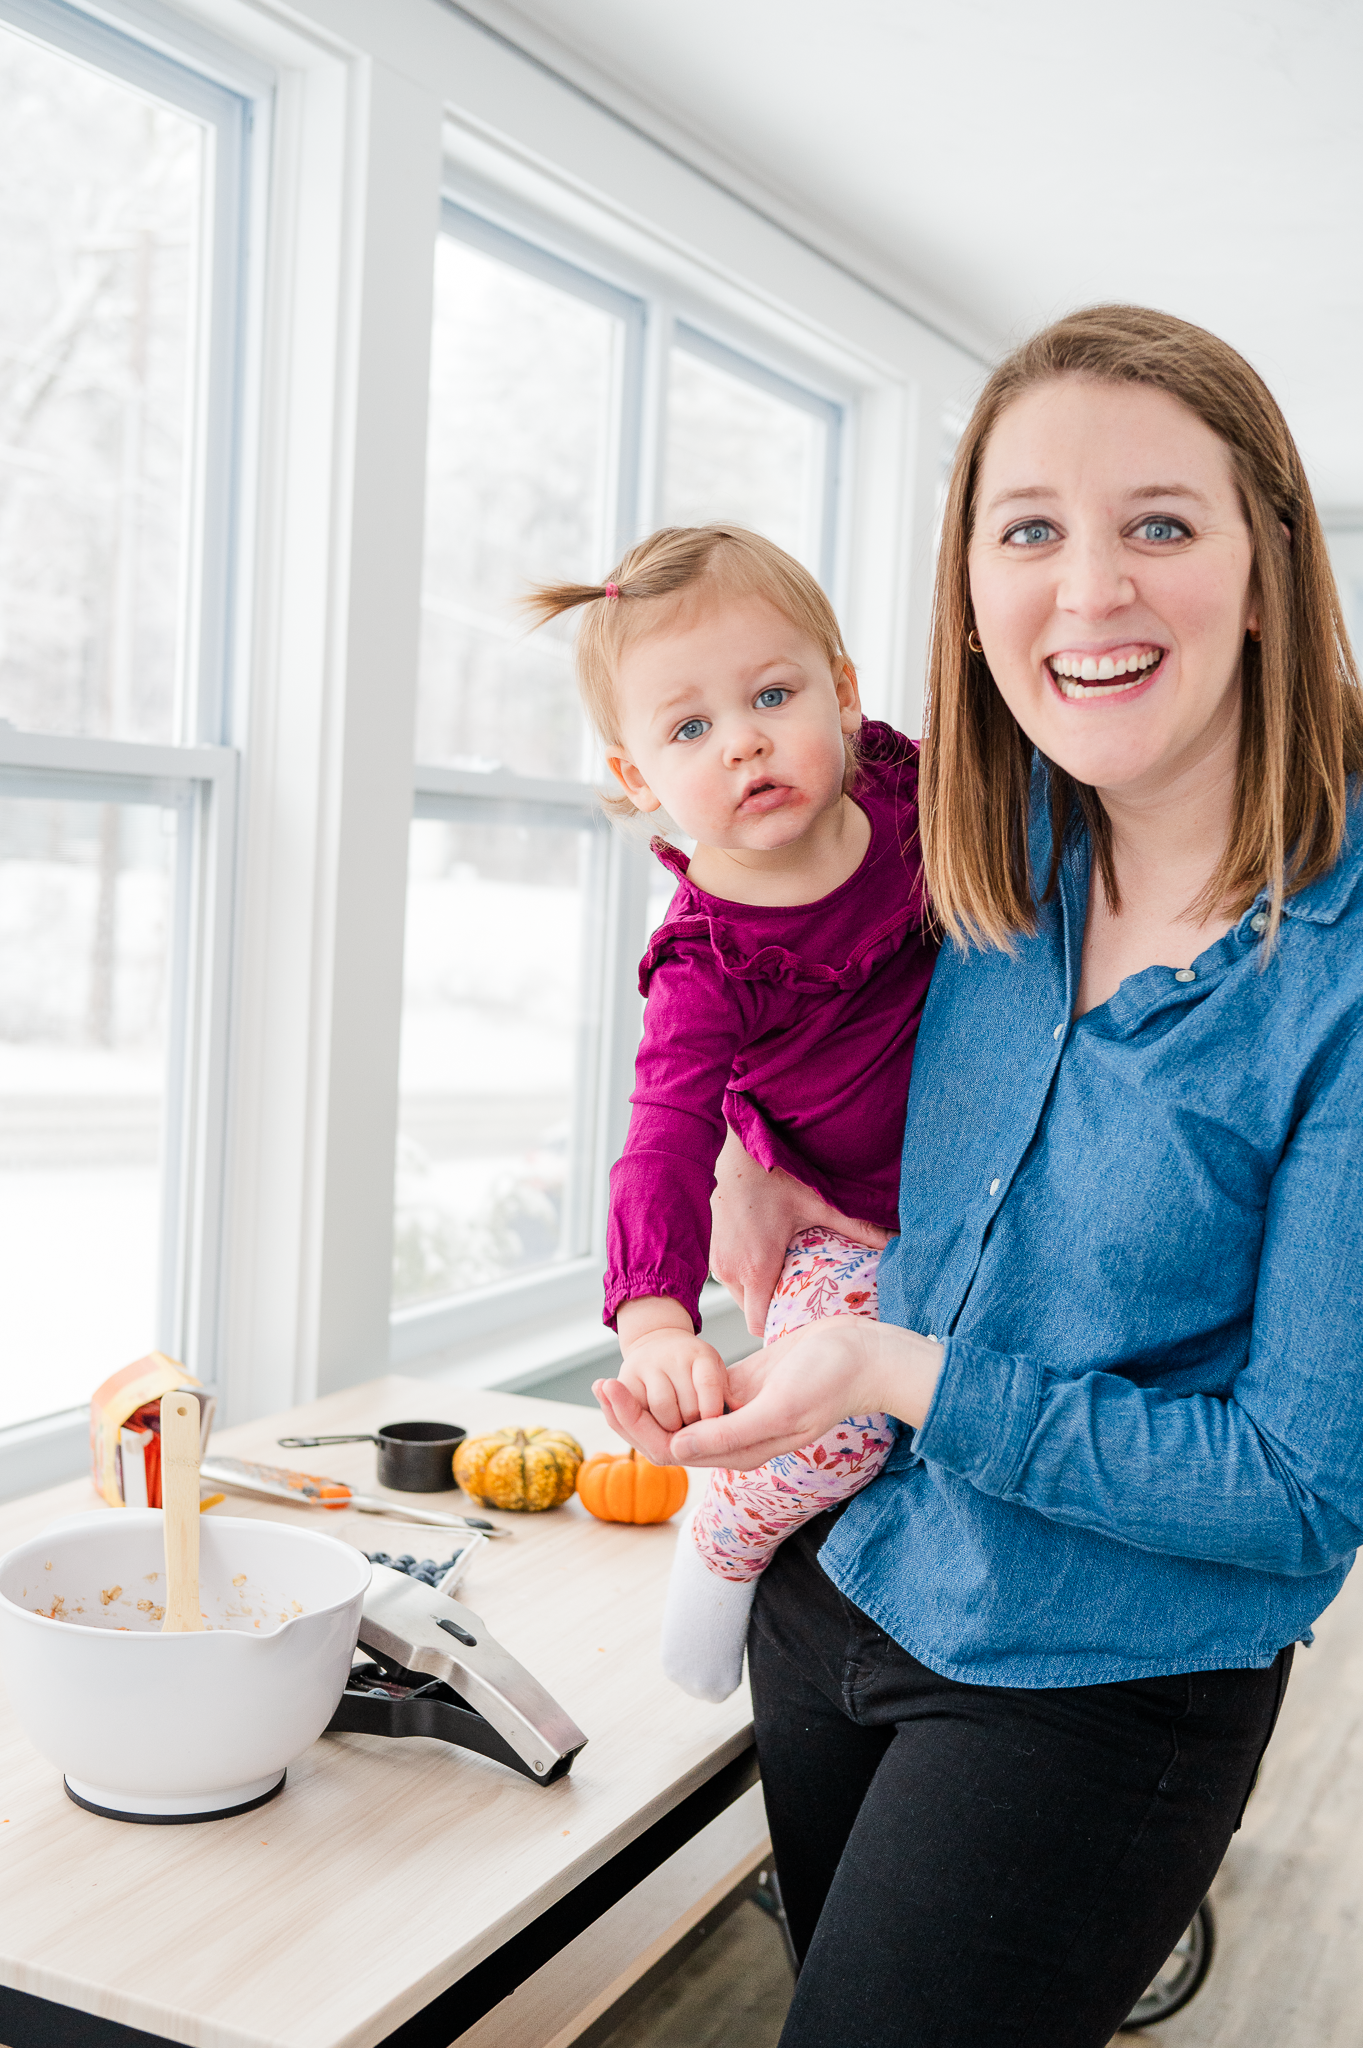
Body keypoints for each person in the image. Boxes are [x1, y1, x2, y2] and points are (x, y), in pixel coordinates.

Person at [595, 305, 1363, 2048]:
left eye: (1156, 523)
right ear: (963, 587)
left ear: (1264, 568)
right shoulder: (963, 833)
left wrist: (892, 1368)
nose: (1085, 591)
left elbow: (1297, 1490)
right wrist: (746, 1153)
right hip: (839, 1584)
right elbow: (720, 939)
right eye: (1027, 530)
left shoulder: (1338, 966)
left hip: (1103, 1671)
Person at [526, 527, 934, 1702]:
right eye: (690, 727)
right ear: (637, 776)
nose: (746, 738)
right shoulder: (707, 959)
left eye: (772, 693)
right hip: (841, 1216)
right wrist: (654, 1324)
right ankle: (722, 1547)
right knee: (840, 1424)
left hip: (981, 1186)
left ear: (844, 695)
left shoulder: (902, 790)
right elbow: (661, 1139)